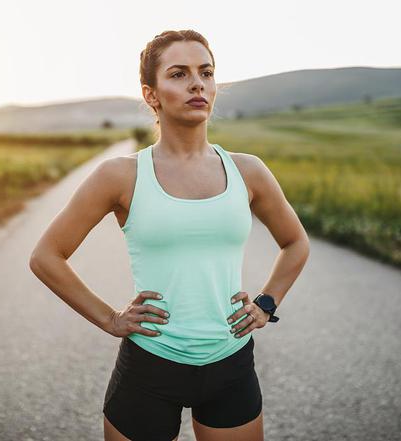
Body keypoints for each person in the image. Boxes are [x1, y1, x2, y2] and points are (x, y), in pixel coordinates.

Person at [29, 29, 310, 441]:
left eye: (206, 72)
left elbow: (296, 243)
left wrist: (267, 303)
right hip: (149, 367)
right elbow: (46, 256)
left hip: (230, 364)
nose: (198, 83)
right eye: (178, 74)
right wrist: (110, 318)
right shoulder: (120, 175)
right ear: (151, 95)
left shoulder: (247, 171)